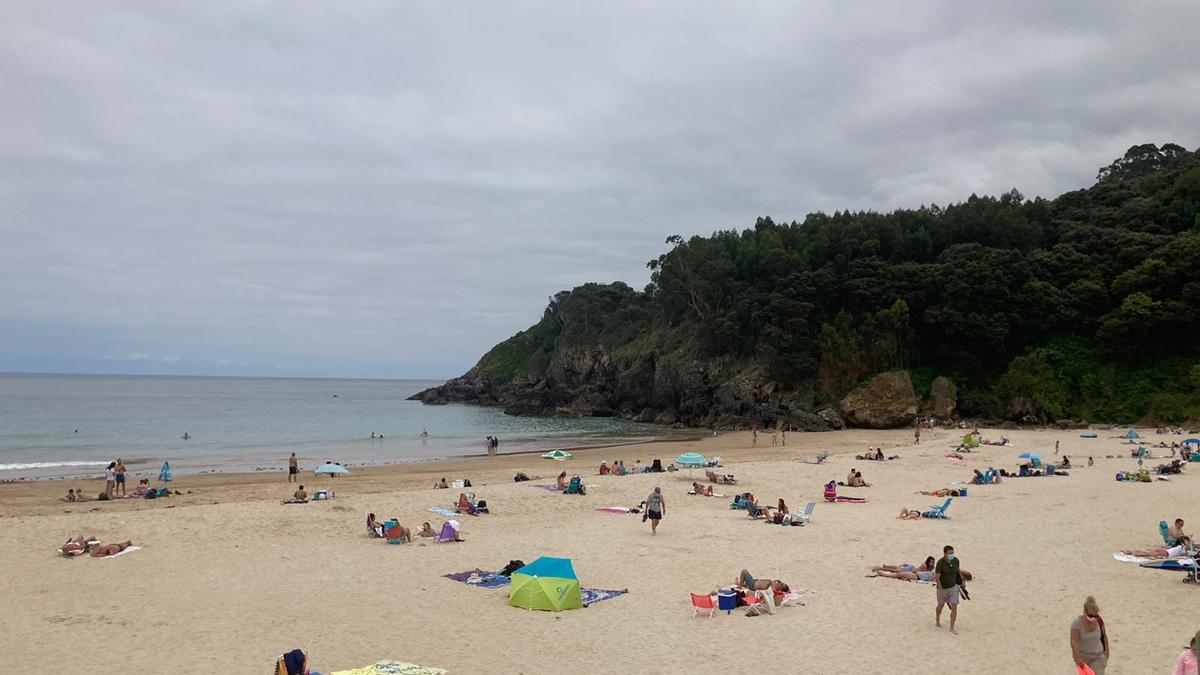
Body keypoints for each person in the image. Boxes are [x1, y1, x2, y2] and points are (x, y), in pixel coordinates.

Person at [1070, 596, 1109, 675]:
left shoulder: (1099, 621)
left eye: (1096, 616)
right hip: (1083, 657)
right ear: (1085, 612)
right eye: (1091, 616)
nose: (1093, 618)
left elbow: (1104, 635)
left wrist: (1107, 652)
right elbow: (1074, 641)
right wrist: (1076, 656)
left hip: (1098, 656)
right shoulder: (1076, 623)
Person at [935, 545, 961, 634]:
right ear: (945, 553)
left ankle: (951, 627)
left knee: (954, 607)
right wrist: (942, 591)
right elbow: (937, 578)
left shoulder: (955, 560)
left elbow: (958, 569)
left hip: (953, 587)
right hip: (942, 588)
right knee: (940, 605)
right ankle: (937, 619)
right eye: (950, 553)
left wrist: (962, 580)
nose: (952, 555)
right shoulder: (940, 563)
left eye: (952, 553)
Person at [871, 557, 937, 581]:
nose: (932, 563)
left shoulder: (932, 567)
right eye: (931, 562)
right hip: (912, 570)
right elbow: (919, 572)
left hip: (912, 570)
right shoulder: (924, 565)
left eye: (933, 562)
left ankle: (886, 566)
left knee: (897, 568)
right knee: (896, 570)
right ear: (928, 561)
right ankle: (880, 568)